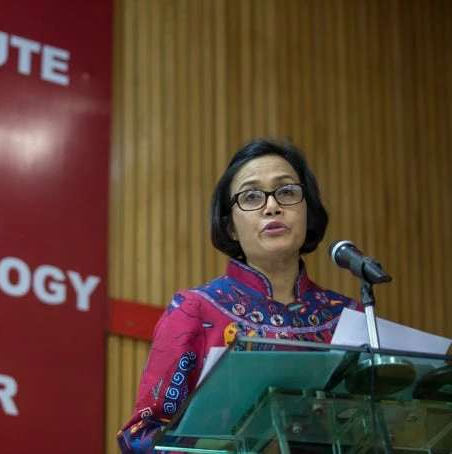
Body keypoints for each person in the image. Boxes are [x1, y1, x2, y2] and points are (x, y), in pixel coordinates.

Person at [116, 138, 362, 454]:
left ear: (308, 211)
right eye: (251, 196)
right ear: (230, 226)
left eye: (287, 192)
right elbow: (139, 435)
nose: (272, 206)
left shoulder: (348, 316)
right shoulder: (196, 310)